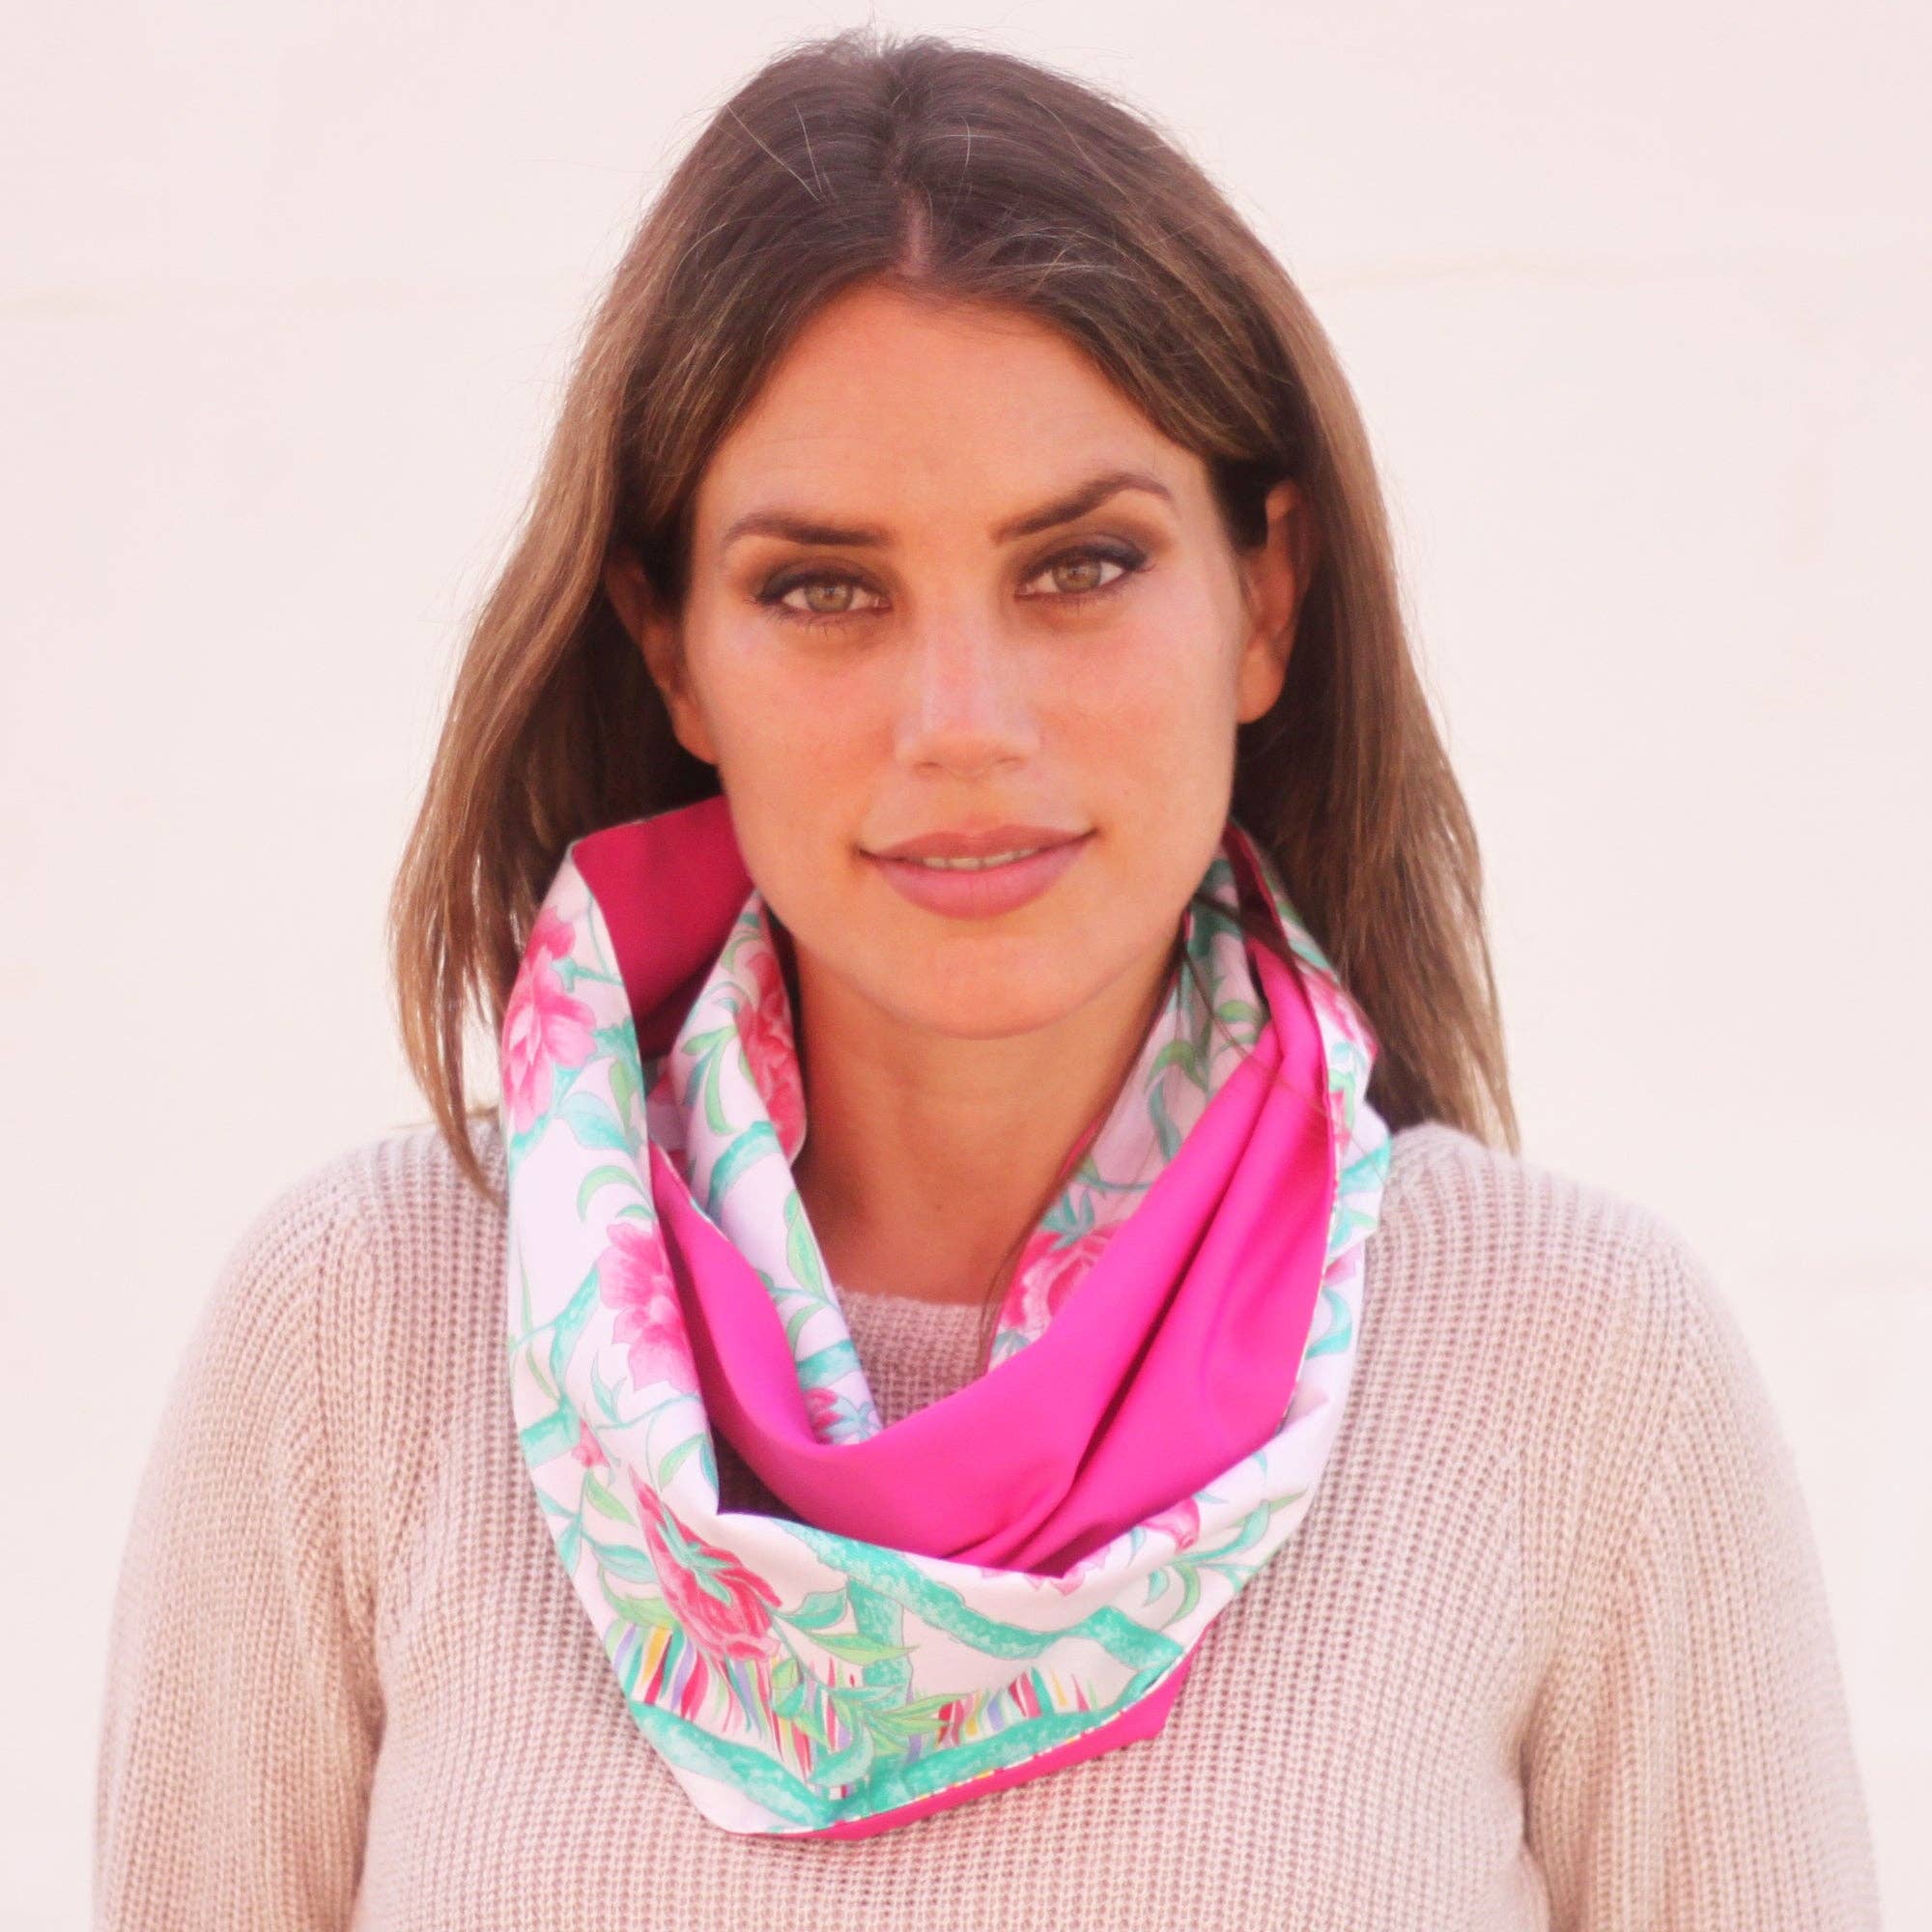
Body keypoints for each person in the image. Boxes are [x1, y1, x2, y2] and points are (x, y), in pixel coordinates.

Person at [93, 24, 1881, 1929]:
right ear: (671, 649)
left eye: (1080, 565)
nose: (962, 720)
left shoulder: (1576, 1369)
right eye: (823, 588)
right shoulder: (360, 1339)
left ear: (1265, 599)